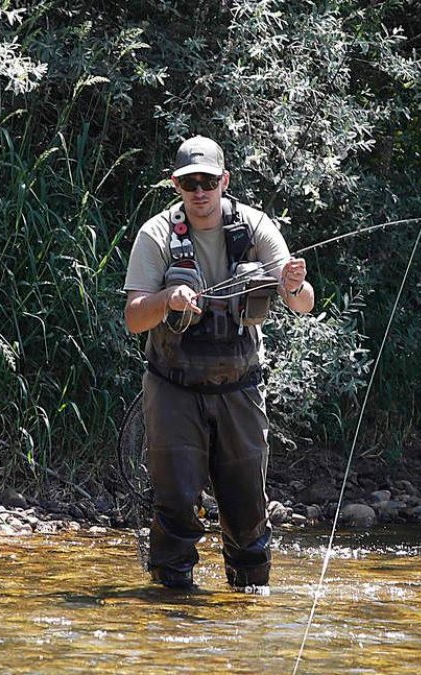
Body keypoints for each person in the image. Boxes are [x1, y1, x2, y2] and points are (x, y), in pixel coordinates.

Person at [123, 135, 315, 591]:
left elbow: (303, 304)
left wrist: (291, 284)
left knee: (248, 508)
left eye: (209, 181)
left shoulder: (255, 227)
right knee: (175, 504)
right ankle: (172, 607)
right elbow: (133, 319)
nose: (200, 191)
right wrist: (168, 298)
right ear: (177, 185)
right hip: (173, 388)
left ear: (224, 180)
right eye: (190, 183)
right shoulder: (157, 235)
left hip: (241, 387)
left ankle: (248, 606)